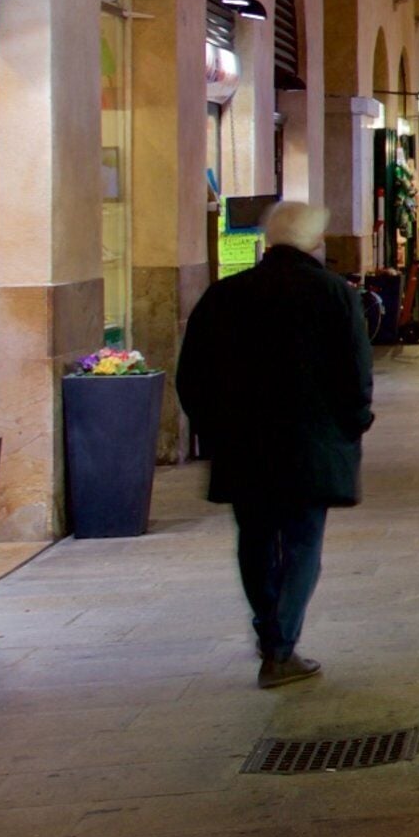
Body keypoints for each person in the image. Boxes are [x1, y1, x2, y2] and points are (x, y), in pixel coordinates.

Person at [173, 201, 374, 687]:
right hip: (313, 444)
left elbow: (191, 376)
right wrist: (352, 424)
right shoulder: (334, 295)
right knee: (304, 542)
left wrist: (214, 430)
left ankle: (269, 632)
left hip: (244, 444)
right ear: (313, 242)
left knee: (256, 538)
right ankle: (281, 648)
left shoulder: (225, 295)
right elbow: (356, 374)